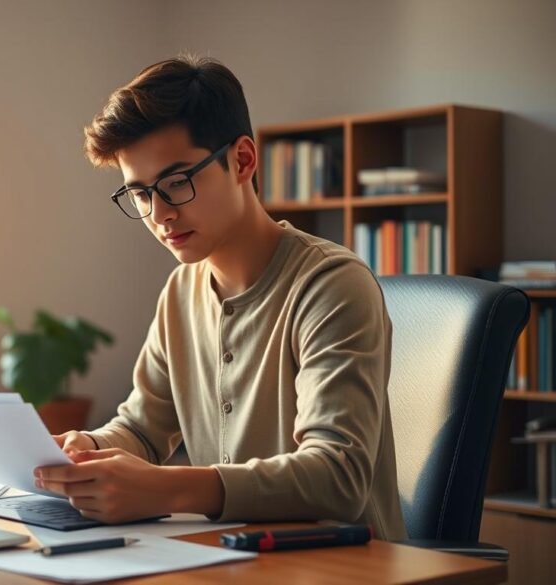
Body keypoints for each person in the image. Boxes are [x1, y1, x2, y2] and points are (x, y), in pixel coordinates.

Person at [33, 56, 407, 541]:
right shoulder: (181, 292)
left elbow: (337, 477)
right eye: (141, 194)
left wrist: (166, 489)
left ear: (243, 160)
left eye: (176, 183)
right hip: (232, 559)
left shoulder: (332, 285)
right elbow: (144, 430)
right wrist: (88, 448)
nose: (160, 214)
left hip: (346, 566)